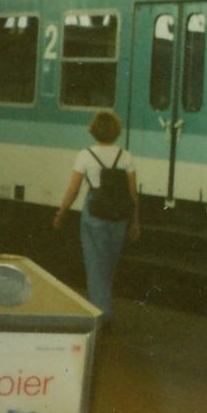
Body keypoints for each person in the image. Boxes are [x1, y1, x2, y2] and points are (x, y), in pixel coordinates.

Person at [52, 110, 140, 319]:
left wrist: (61, 213)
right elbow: (133, 194)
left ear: (93, 131)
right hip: (119, 214)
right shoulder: (126, 156)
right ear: (116, 132)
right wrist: (135, 223)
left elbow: (73, 190)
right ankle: (94, 309)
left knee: (95, 265)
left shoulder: (85, 155)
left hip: (95, 212)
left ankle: (102, 317)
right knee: (107, 266)